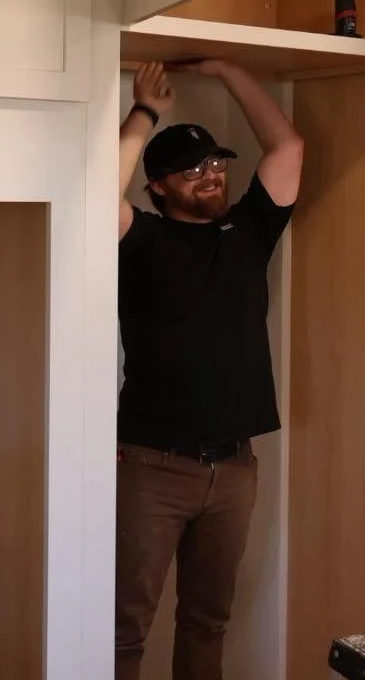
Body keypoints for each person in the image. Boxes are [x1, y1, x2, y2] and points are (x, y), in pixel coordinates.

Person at [114, 58, 304, 680]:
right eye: (192, 170)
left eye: (217, 165)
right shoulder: (140, 243)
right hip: (151, 466)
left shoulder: (246, 232)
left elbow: (288, 146)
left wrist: (226, 68)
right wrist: (144, 113)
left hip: (234, 467)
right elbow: (94, 195)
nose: (210, 176)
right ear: (157, 186)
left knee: (206, 621)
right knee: (122, 626)